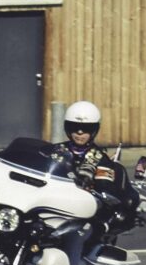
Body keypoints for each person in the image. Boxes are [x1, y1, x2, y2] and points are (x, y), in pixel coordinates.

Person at [54, 100, 141, 244]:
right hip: (54, 205)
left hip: (81, 214)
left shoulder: (100, 159)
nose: (80, 132)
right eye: (75, 127)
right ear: (67, 128)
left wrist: (91, 186)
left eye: (86, 128)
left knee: (77, 238)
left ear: (94, 130)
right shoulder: (56, 150)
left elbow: (106, 189)